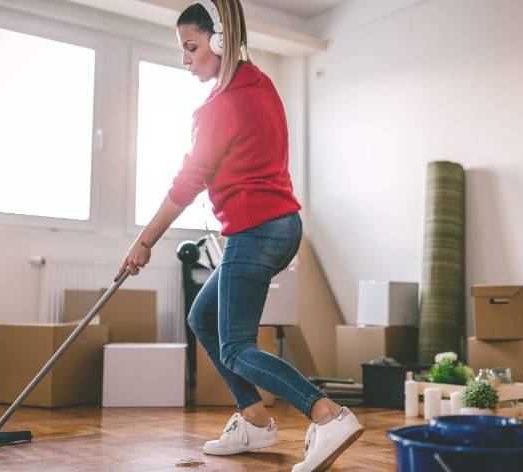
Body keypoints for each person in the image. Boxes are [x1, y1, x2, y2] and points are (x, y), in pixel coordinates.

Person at [115, 1, 363, 470]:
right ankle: (252, 419)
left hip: (256, 231)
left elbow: (187, 184)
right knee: (202, 317)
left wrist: (143, 241)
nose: (185, 59)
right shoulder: (260, 84)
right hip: (282, 227)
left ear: (221, 40)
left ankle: (327, 415)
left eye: (191, 47)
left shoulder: (218, 106)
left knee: (236, 347)